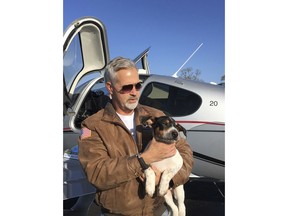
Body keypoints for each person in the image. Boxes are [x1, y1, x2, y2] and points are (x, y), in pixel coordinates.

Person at [78, 57, 193, 216]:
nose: (134, 92)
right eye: (126, 87)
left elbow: (186, 153)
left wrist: (171, 180)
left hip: (159, 210)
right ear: (110, 88)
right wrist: (143, 159)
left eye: (137, 85)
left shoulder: (156, 115)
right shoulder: (92, 126)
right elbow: (97, 173)